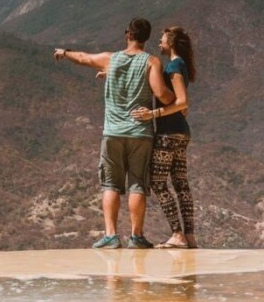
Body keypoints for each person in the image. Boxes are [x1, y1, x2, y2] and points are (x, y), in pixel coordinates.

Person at [54, 18, 173, 248]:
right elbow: (162, 94)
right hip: (140, 133)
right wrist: (175, 99)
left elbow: (84, 58)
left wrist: (64, 52)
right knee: (137, 184)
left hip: (113, 132)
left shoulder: (111, 59)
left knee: (110, 185)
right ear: (146, 38)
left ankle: (111, 235)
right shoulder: (151, 62)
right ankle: (136, 236)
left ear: (128, 34)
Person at [131, 25, 198, 248]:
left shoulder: (174, 66)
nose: (159, 42)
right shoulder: (180, 65)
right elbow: (182, 105)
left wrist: (153, 113)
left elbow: (182, 102)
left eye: (162, 39)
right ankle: (189, 236)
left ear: (171, 42)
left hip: (169, 133)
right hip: (181, 132)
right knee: (181, 184)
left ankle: (177, 234)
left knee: (158, 183)